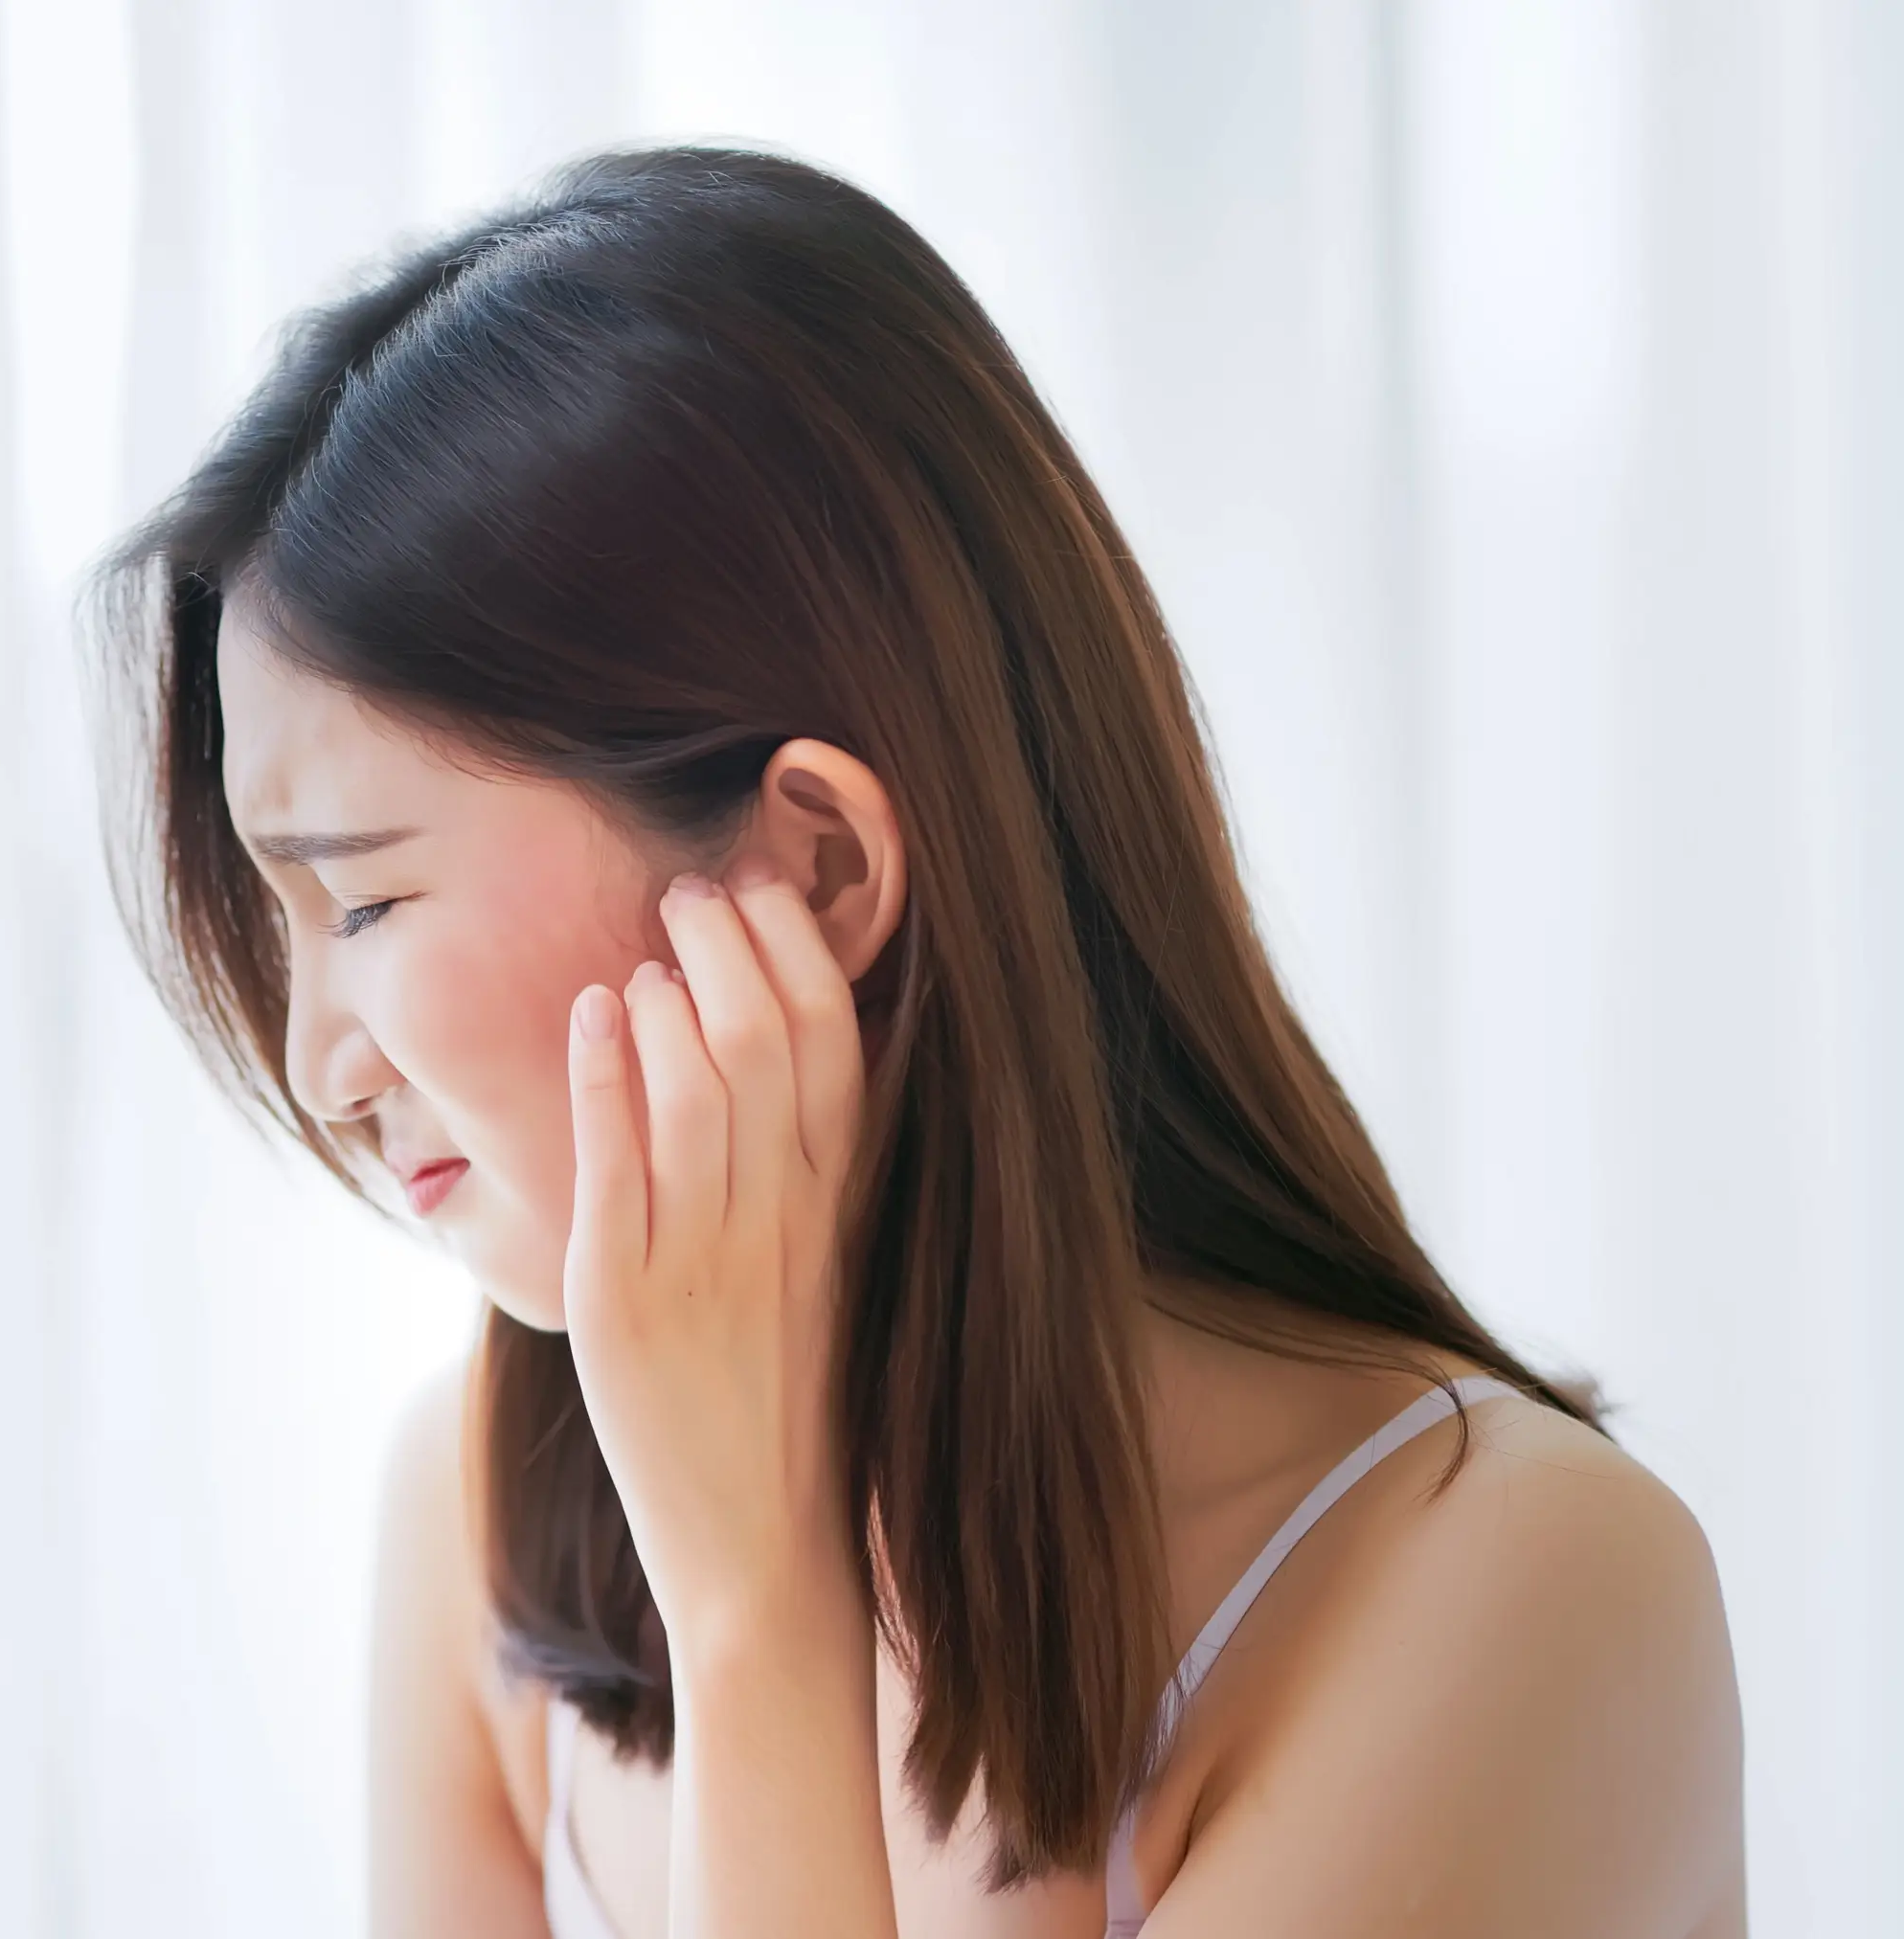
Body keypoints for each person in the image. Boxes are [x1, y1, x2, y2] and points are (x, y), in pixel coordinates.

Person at [85, 146, 1743, 1937]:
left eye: (364, 903)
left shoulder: (1513, 1590)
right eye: (275, 921)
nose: (319, 1064)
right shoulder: (483, 1507)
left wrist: (754, 1614)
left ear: (819, 865)